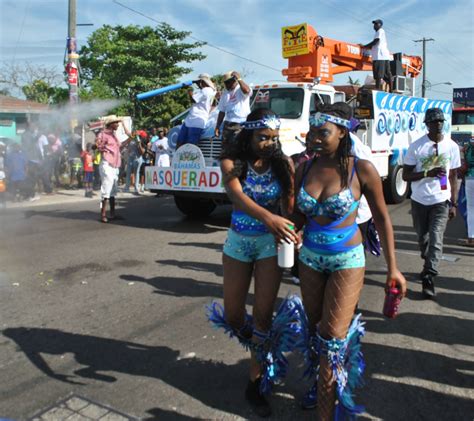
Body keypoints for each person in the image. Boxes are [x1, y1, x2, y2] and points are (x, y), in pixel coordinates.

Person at [293, 103, 407, 420]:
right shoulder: (303, 168)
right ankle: (323, 383)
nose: (314, 138)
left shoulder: (362, 169)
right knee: (315, 329)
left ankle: (327, 410)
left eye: (322, 132)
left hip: (347, 259)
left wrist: (393, 268)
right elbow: (297, 217)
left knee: (331, 334)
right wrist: (284, 227)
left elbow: (383, 219)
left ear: (342, 132)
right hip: (310, 259)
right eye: (312, 131)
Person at [207, 109, 300, 417]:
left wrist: (290, 230)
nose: (269, 143)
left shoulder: (283, 164)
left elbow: (288, 205)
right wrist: (268, 217)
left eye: (274, 138)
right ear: (249, 135)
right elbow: (236, 197)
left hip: (269, 247)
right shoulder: (232, 163)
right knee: (234, 315)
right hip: (237, 243)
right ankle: (264, 345)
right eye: (263, 137)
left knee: (262, 315)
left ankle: (256, 380)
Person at [403, 108, 461, 297]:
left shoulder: (451, 146)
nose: (438, 125)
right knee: (424, 239)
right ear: (427, 125)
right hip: (419, 201)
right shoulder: (417, 147)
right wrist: (428, 173)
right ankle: (428, 260)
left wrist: (453, 203)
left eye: (440, 122)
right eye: (434, 122)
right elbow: (406, 175)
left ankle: (429, 276)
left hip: (440, 201)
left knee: (436, 237)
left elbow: (452, 176)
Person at [96, 115, 133, 223]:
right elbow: (98, 145)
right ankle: (102, 214)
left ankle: (112, 213)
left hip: (114, 165)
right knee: (106, 188)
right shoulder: (102, 134)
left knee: (113, 189)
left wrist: (130, 137)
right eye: (116, 122)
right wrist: (98, 145)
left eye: (118, 122)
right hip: (106, 164)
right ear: (110, 124)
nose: (118, 124)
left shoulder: (114, 135)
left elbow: (120, 146)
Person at [214, 71, 252, 149]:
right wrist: (217, 127)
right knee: (226, 149)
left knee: (238, 148)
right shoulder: (225, 93)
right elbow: (222, 111)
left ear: (234, 80)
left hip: (241, 123)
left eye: (228, 82)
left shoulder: (240, 89)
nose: (227, 84)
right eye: (225, 82)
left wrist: (239, 79)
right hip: (228, 124)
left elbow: (247, 91)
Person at [176, 74, 216, 147]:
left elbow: (193, 99)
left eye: (199, 82)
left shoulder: (206, 90)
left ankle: (180, 158)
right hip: (193, 119)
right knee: (185, 143)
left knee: (187, 144)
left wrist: (189, 90)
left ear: (202, 81)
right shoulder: (210, 90)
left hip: (196, 120)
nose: (198, 84)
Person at [361, 19, 392, 92]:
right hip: (384, 56)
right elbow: (374, 44)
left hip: (379, 56)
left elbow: (376, 41)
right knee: (386, 74)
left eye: (376, 24)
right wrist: (366, 46)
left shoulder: (380, 31)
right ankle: (391, 89)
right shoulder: (380, 32)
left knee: (378, 74)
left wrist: (364, 46)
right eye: (374, 24)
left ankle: (377, 89)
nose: (374, 26)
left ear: (380, 25)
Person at [458, 136, 474, 247]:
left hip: (470, 178)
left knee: (471, 208)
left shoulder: (468, 148)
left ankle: (471, 238)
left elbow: (463, 166)